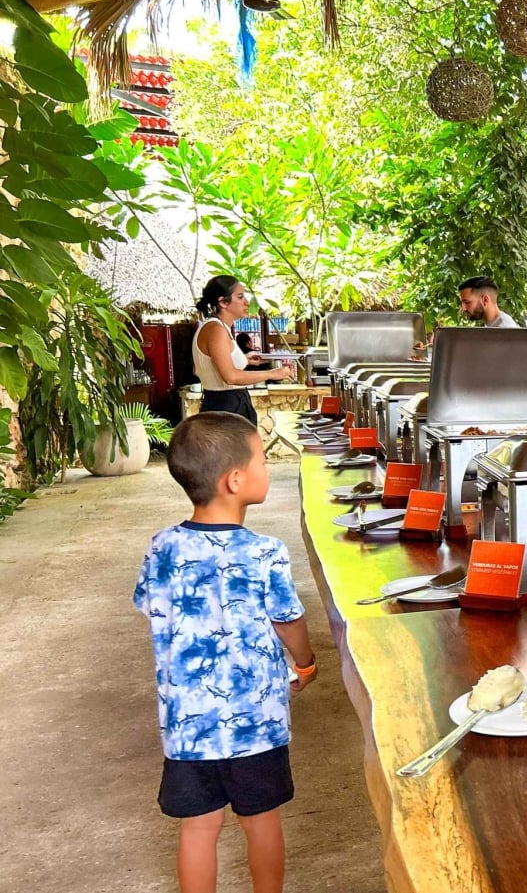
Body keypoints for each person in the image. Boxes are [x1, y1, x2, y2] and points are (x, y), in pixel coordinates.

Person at [134, 412, 316, 893]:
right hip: (256, 724)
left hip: (188, 727)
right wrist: (305, 662)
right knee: (262, 821)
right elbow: (288, 621)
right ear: (235, 480)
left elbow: (152, 607)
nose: (266, 469)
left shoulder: (162, 548)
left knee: (198, 828)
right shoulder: (265, 552)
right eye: (261, 461)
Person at [193, 275, 296, 425]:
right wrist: (273, 373)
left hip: (227, 403)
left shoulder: (220, 327)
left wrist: (246, 359)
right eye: (240, 297)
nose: (247, 302)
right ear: (223, 302)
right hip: (226, 407)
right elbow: (230, 376)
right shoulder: (216, 330)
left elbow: (216, 363)